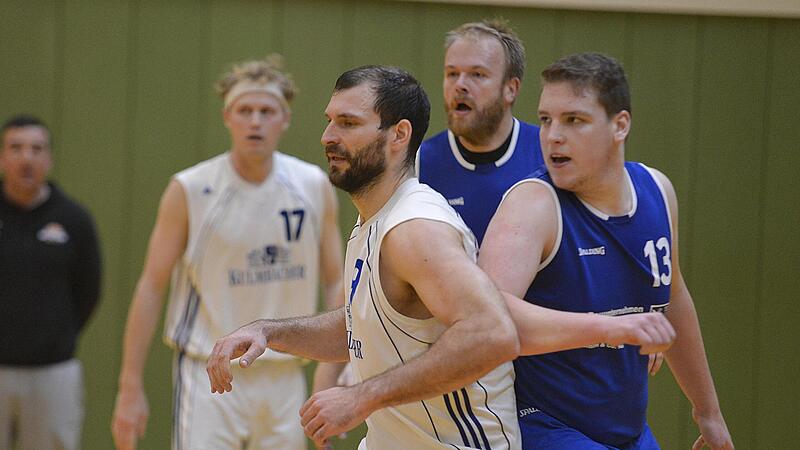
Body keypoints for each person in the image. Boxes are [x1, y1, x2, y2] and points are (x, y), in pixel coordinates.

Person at [206, 65, 676, 450]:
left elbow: (492, 333)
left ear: (398, 135)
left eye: (348, 124)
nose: (329, 135)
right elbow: (366, 325)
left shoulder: (416, 227)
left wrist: (361, 397)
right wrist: (269, 332)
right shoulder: (376, 217)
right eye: (330, 120)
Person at [478, 53, 734, 450]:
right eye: (546, 119)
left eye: (573, 120)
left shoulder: (658, 191)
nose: (552, 136)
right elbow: (489, 318)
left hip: (627, 430)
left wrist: (708, 411)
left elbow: (674, 297)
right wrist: (612, 328)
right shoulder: (533, 204)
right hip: (541, 425)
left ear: (620, 125)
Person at [111, 56, 345, 450]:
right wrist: (129, 386)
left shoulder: (313, 185)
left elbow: (336, 280)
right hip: (209, 375)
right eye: (245, 110)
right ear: (227, 117)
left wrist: (335, 372)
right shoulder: (190, 188)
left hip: (285, 375)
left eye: (266, 111)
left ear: (285, 119)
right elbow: (151, 286)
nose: (255, 121)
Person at [0, 114, 102, 450]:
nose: (26, 157)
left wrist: (56, 335)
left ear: (49, 158)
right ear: (3, 157)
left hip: (52, 372)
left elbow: (89, 290)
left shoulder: (74, 220)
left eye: (36, 149)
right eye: (16, 148)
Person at [416, 19, 543, 245]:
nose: (460, 85)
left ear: (510, 89)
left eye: (477, 74)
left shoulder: (547, 153)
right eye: (452, 73)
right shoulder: (418, 163)